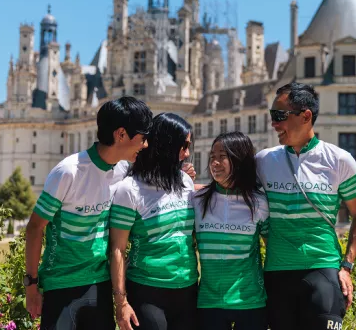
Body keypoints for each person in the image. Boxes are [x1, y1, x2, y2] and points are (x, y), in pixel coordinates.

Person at [24, 96, 153, 330]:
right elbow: (35, 228)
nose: (145, 145)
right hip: (61, 284)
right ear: (121, 134)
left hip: (99, 285)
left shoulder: (123, 171)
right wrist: (31, 286)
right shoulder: (69, 172)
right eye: (142, 138)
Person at [256, 82, 356, 330]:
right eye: (272, 116)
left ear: (305, 116)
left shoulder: (339, 160)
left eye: (279, 116)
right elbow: (231, 195)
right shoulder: (263, 161)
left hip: (323, 271)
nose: (274, 123)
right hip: (278, 274)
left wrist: (347, 266)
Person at [109, 113, 199, 330]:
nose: (187, 153)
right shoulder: (129, 189)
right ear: (165, 145)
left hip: (188, 289)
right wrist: (121, 303)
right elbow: (117, 250)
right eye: (183, 145)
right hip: (147, 291)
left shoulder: (185, 182)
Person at [193, 131, 269, 330]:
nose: (214, 163)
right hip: (209, 302)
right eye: (212, 157)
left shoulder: (259, 203)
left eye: (222, 157)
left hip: (250, 301)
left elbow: (273, 249)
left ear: (239, 159)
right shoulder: (197, 201)